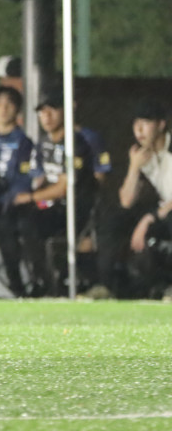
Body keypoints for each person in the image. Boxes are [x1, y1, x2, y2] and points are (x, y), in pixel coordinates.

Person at [12, 88, 98, 296]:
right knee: (9, 221)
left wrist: (30, 198)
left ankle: (47, 284)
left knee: (29, 223)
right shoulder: (44, 143)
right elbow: (39, 179)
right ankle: (21, 283)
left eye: (52, 110)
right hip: (50, 207)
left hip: (74, 210)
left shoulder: (76, 144)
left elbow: (63, 188)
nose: (47, 116)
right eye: (42, 112)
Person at [88, 99, 172, 300]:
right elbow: (126, 201)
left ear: (161, 125)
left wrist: (150, 218)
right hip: (160, 212)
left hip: (166, 213)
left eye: (146, 123)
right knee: (112, 218)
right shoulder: (139, 153)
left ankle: (165, 286)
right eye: (136, 124)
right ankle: (107, 285)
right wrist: (134, 167)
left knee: (158, 225)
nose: (139, 130)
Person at [0, 86, 34, 296]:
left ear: (17, 110)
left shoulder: (24, 142)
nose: (3, 109)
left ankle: (16, 285)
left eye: (9, 104)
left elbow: (24, 180)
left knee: (6, 227)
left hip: (11, 206)